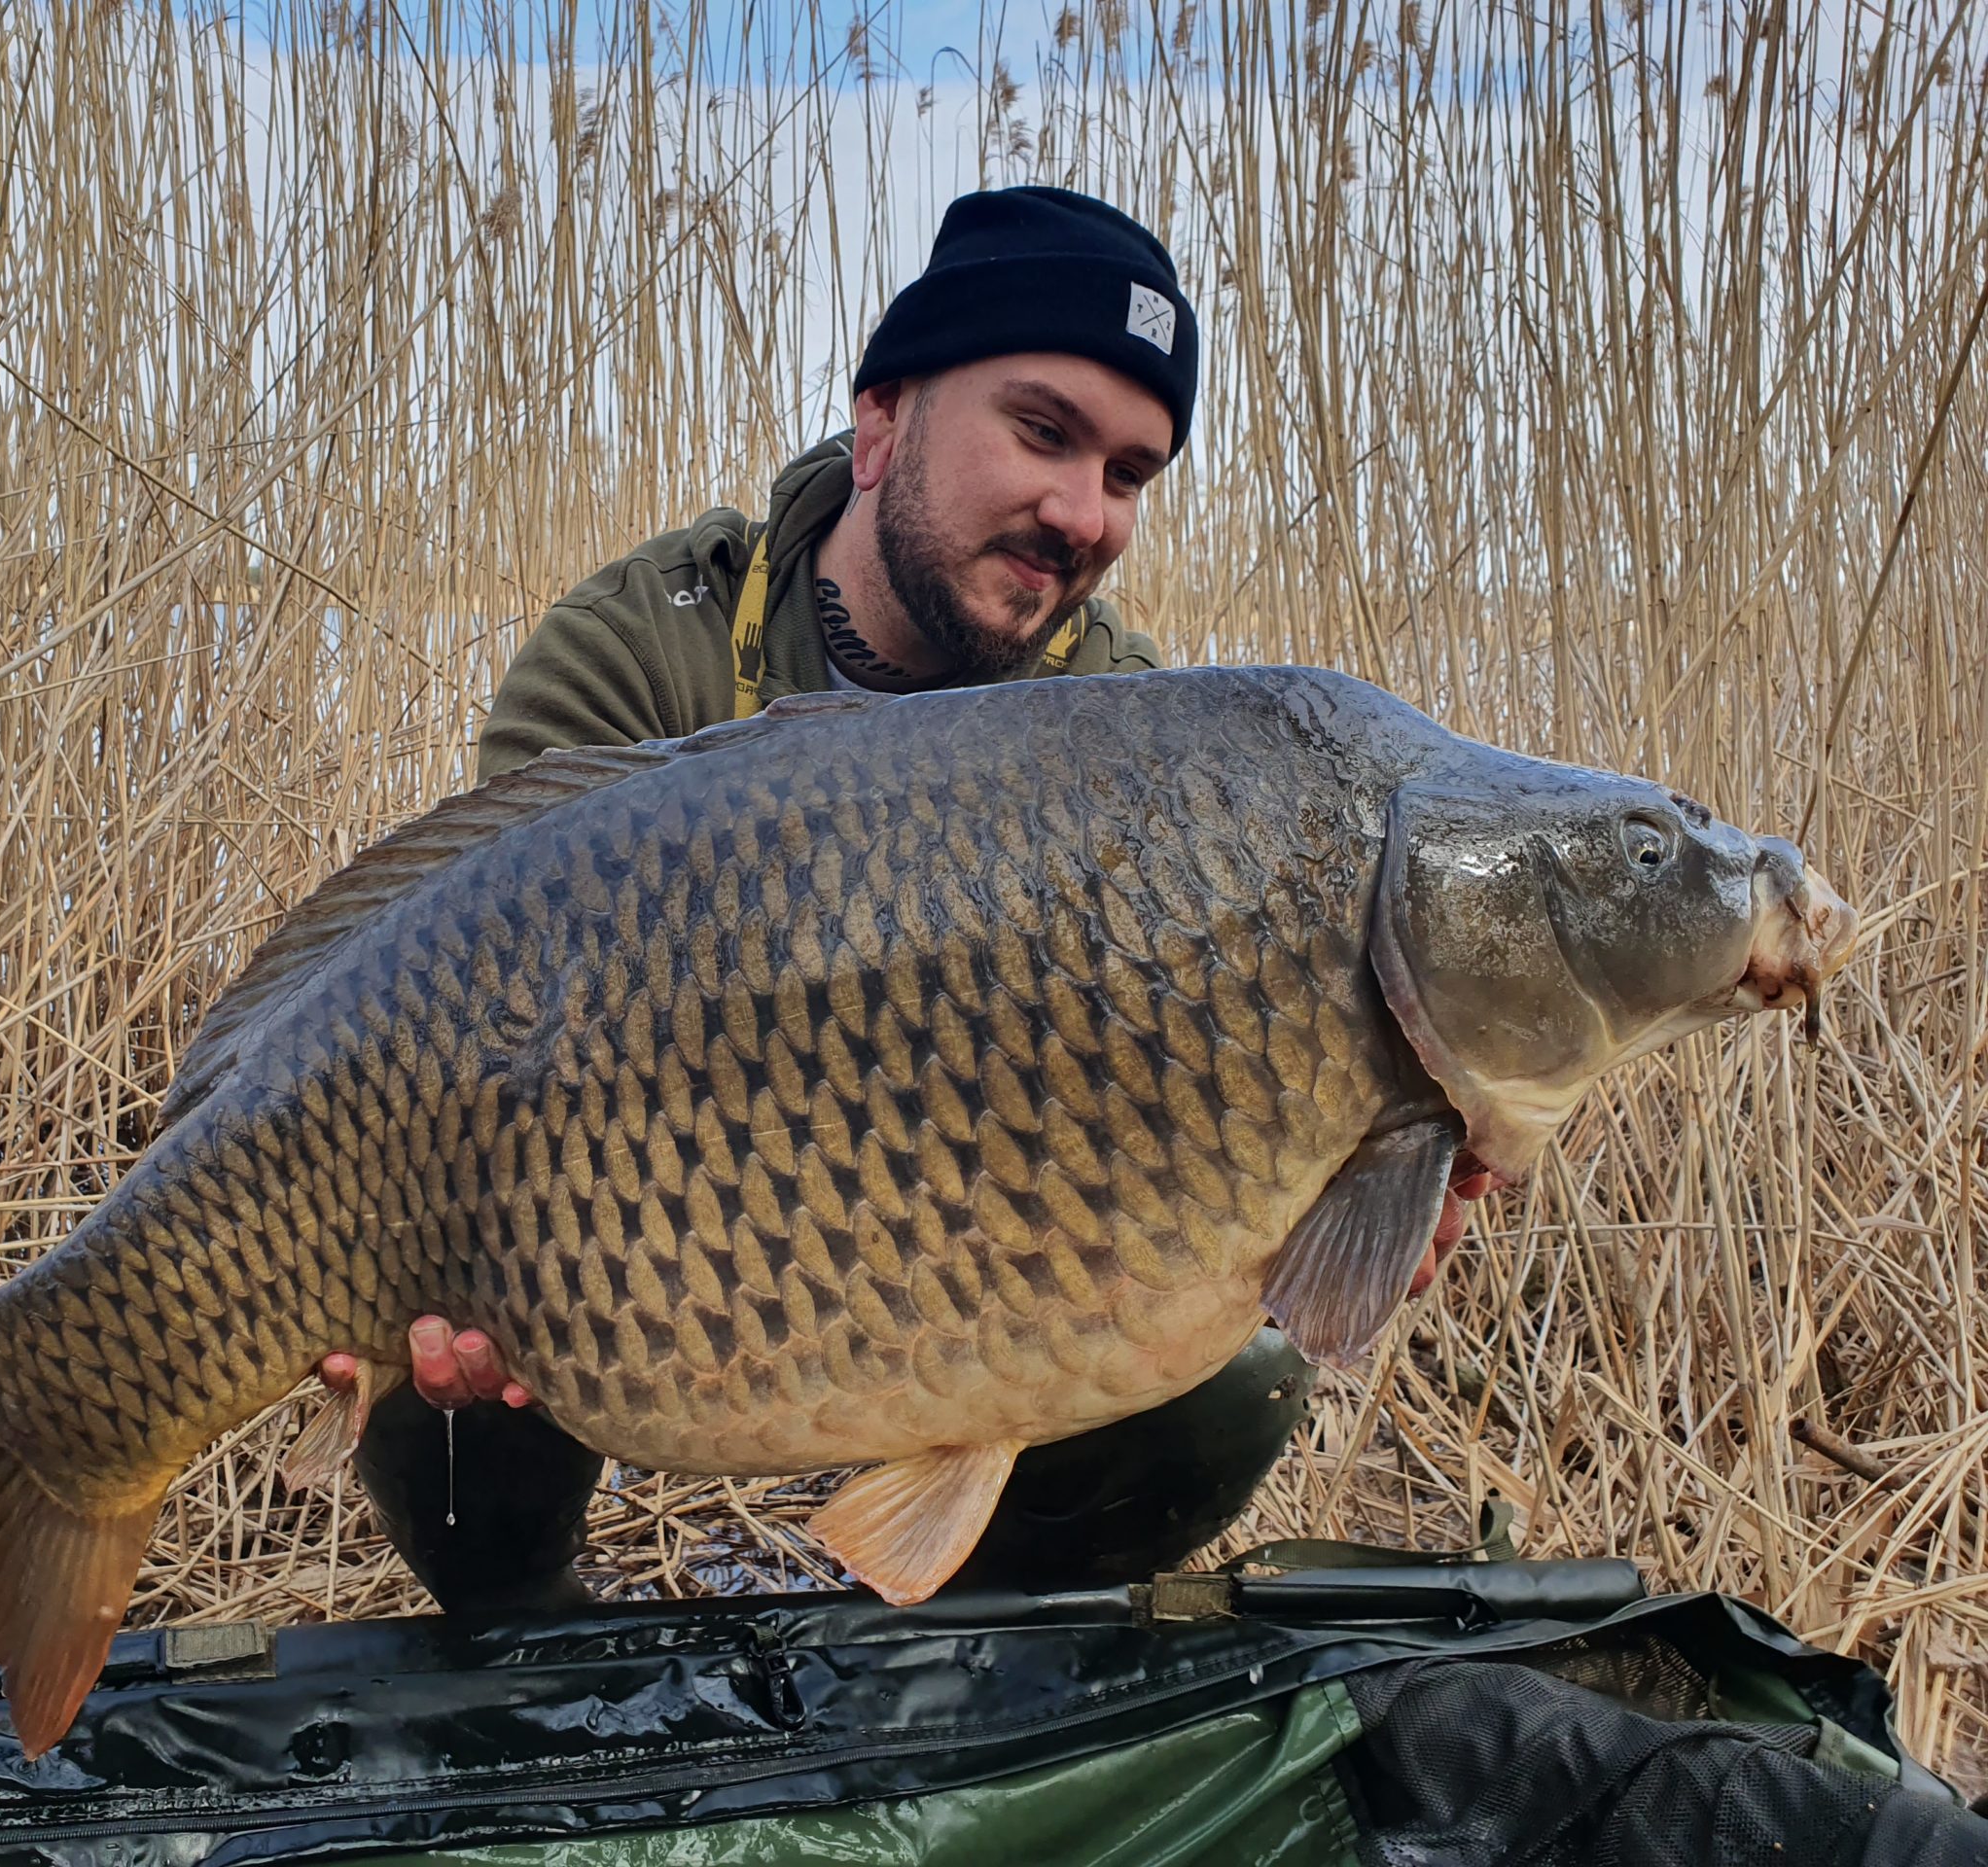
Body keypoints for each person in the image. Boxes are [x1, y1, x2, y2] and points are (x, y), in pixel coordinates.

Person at [317, 186, 1489, 1611]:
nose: (1082, 514)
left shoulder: (1135, 736)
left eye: (1129, 473)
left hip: (969, 1260)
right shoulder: (639, 651)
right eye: (1044, 432)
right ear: (882, 422)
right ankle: (529, 1648)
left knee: (1233, 1373)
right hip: (614, 1249)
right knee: (414, 1333)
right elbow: (464, 976)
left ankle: (970, 1647)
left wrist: (1333, 1197)